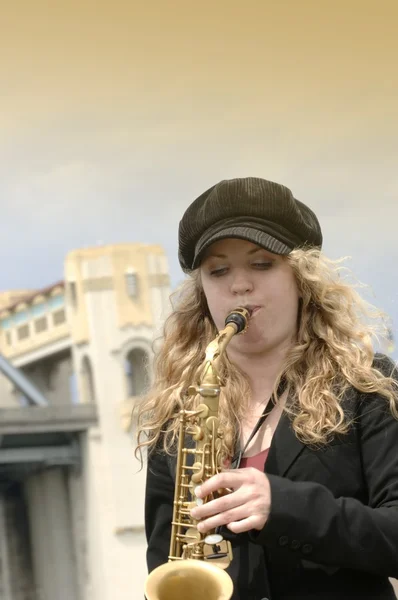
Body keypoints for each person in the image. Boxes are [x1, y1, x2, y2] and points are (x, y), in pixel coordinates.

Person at [136, 177, 398, 600]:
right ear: (202, 291)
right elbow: (166, 570)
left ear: (302, 276)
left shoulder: (367, 385)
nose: (239, 285)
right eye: (218, 270)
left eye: (262, 264)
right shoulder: (180, 412)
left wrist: (285, 506)